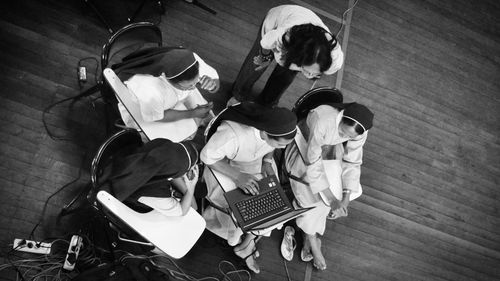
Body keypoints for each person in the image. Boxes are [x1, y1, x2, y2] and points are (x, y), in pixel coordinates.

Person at [200, 102, 297, 273]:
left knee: (273, 204)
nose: (282, 149)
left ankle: (245, 244)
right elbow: (207, 157)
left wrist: (267, 162)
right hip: (224, 166)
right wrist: (238, 177)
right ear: (265, 132)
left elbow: (270, 146)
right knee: (243, 206)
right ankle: (241, 238)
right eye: (280, 144)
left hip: (254, 163)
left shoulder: (271, 131)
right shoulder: (232, 134)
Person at [284, 102, 374, 270]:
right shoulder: (322, 120)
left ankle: (309, 234)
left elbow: (353, 161)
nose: (343, 136)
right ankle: (312, 240)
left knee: (336, 193)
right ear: (341, 118)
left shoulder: (360, 131)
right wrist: (331, 199)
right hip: (305, 146)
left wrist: (345, 198)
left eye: (348, 137)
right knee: (313, 199)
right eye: (341, 131)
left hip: (331, 151)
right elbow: (313, 160)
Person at [230, 5, 344, 106]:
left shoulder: (335, 61)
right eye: (306, 70)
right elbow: (266, 43)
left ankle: (267, 103)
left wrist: (305, 68)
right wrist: (264, 57)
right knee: (256, 65)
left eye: (315, 73)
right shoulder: (283, 37)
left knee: (285, 76)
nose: (309, 76)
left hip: (303, 30)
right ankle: (238, 94)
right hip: (277, 20)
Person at [114, 47, 220, 141]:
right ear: (167, 78)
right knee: (185, 133)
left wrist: (212, 85)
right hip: (148, 111)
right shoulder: (150, 90)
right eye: (189, 85)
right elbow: (158, 117)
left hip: (171, 98)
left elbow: (216, 82)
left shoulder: (188, 60)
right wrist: (192, 113)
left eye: (196, 82)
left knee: (207, 116)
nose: (194, 87)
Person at [101, 137, 201, 216]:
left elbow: (169, 164)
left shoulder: (161, 144)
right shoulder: (156, 194)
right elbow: (182, 211)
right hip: (127, 202)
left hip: (111, 162)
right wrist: (190, 189)